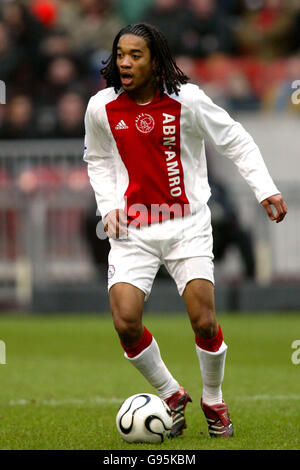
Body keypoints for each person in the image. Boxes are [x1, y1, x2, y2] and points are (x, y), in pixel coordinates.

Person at [83, 23, 287, 438]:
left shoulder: (187, 100)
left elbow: (236, 140)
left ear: (155, 61)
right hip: (133, 230)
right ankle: (171, 394)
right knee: (125, 322)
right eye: (120, 53)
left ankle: (213, 399)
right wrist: (108, 208)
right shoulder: (100, 107)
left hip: (186, 226)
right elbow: (97, 159)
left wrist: (264, 188)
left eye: (135, 55)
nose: (124, 62)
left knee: (205, 321)